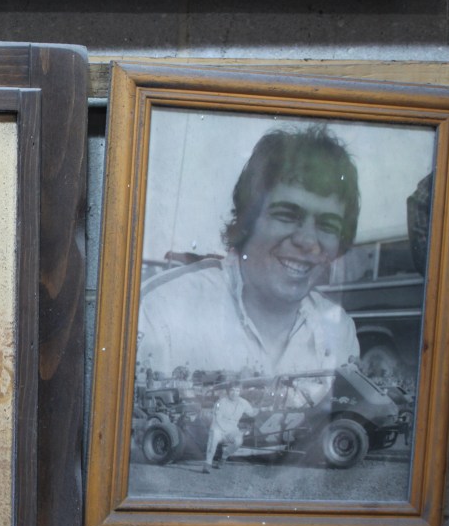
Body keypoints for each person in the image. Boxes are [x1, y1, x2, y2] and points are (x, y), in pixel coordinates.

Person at [137, 125, 361, 383]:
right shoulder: (162, 310)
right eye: (287, 215)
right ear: (247, 221)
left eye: (327, 225)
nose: (308, 241)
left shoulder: (339, 331)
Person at [202, 383, 258, 473]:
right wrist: (223, 429)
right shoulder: (220, 402)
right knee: (214, 436)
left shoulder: (243, 402)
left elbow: (252, 413)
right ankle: (208, 463)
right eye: (232, 390)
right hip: (219, 427)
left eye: (237, 390)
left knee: (238, 441)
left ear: (240, 392)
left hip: (232, 429)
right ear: (228, 391)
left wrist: (258, 410)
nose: (234, 393)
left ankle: (224, 457)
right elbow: (217, 418)